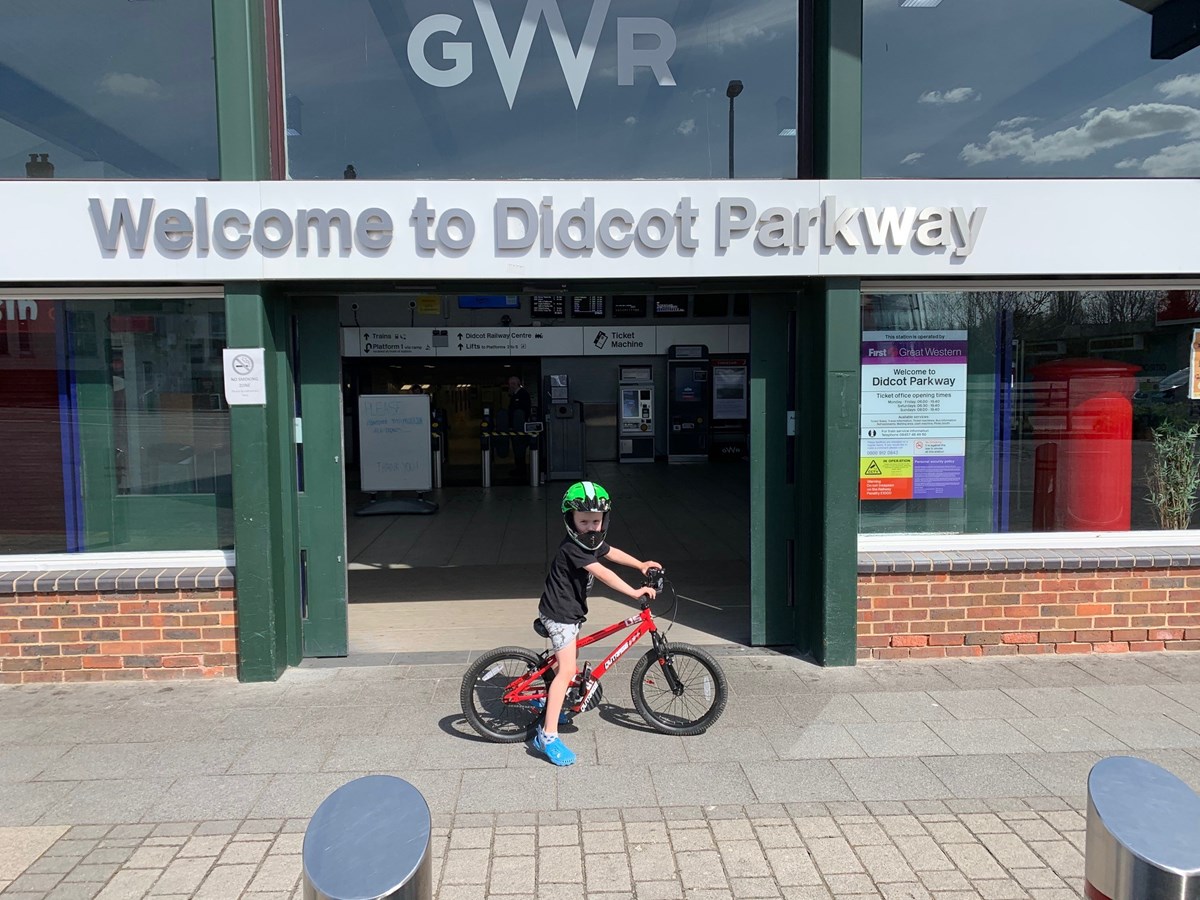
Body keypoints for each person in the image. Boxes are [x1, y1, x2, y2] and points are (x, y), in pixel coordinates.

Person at [533, 481, 659, 766]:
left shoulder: (590, 541)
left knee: (568, 661)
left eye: (596, 521)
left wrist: (640, 564)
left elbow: (610, 552)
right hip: (560, 614)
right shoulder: (573, 548)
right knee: (567, 670)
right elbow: (603, 573)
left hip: (570, 612)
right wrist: (633, 592)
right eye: (584, 521)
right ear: (570, 521)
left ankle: (547, 701)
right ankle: (547, 735)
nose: (591, 527)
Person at [507, 375, 533, 478]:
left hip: (520, 427)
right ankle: (518, 468)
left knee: (520, 448)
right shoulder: (514, 395)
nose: (510, 386)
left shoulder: (522, 394)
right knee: (516, 448)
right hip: (515, 427)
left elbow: (522, 410)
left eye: (511, 384)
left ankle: (521, 470)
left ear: (515, 384)